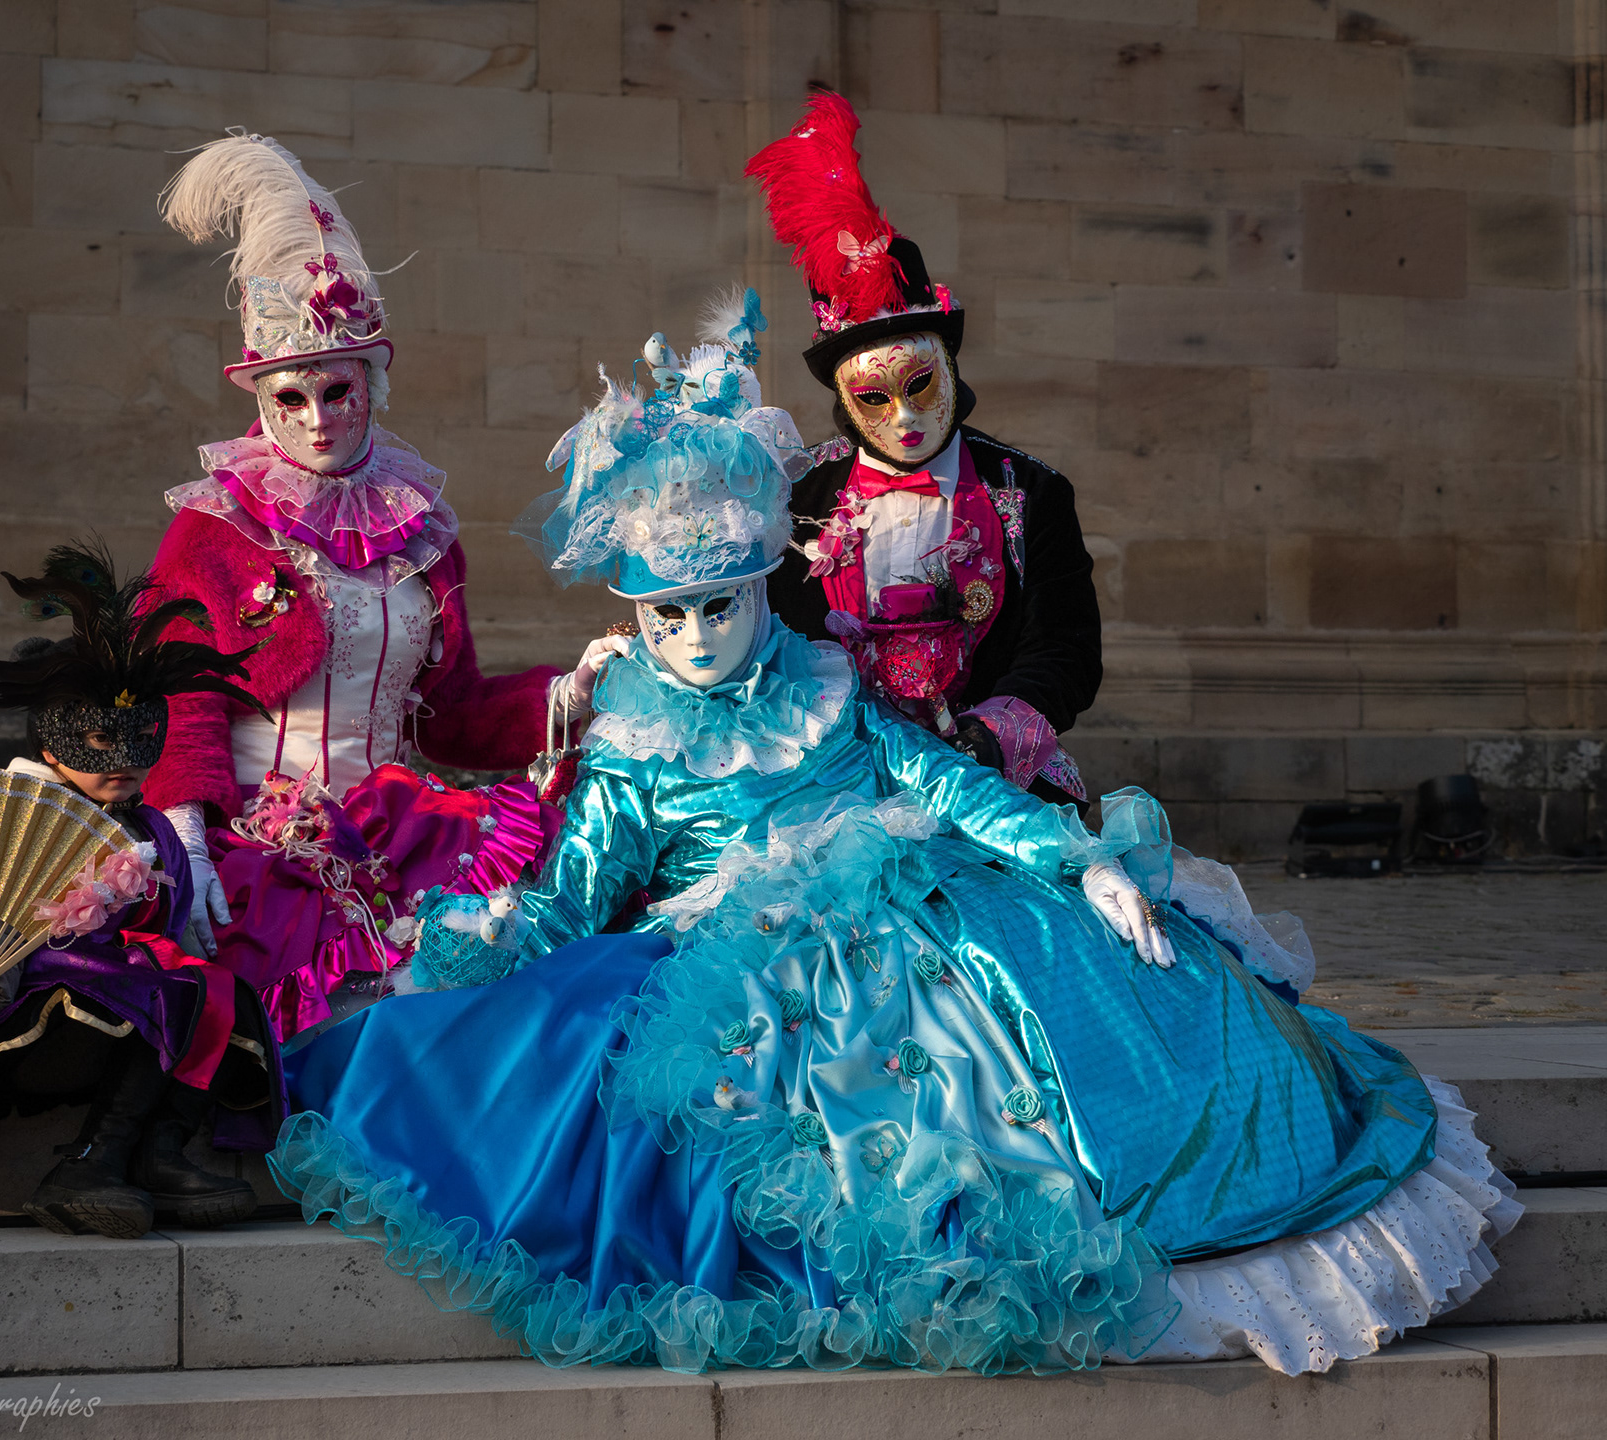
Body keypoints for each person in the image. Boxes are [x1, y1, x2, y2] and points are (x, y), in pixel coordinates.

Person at [271, 311, 1519, 1377]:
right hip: (734, 969)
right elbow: (572, 895)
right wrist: (475, 945)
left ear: (763, 587)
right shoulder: (634, 743)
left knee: (1130, 996)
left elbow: (953, 789)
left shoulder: (830, 686)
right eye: (669, 615)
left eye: (721, 605)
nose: (698, 639)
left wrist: (1078, 860)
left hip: (913, 904)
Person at [143, 133, 619, 1046]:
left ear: (373, 381)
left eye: (337, 391)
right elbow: (182, 697)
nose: (318, 419)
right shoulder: (216, 528)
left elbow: (454, 715)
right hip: (258, 848)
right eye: (291, 398)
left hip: (402, 832)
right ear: (260, 398)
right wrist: (187, 838)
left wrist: (569, 696)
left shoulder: (423, 534)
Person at [0, 545, 283, 1239]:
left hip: (130, 1004)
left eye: (140, 739)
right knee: (149, 988)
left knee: (221, 992)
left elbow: (176, 934)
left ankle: (155, 1150)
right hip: (30, 1021)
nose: (124, 762)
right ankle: (87, 1167)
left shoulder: (153, 829)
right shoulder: (15, 821)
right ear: (52, 746)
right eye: (100, 740)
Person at [747, 94, 1100, 810]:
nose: (905, 418)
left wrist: (991, 736)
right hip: (832, 786)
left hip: (990, 783)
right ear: (843, 398)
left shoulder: (1029, 493)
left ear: (950, 368)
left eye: (920, 385)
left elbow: (1064, 647)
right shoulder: (792, 496)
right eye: (875, 397)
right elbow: (760, 639)